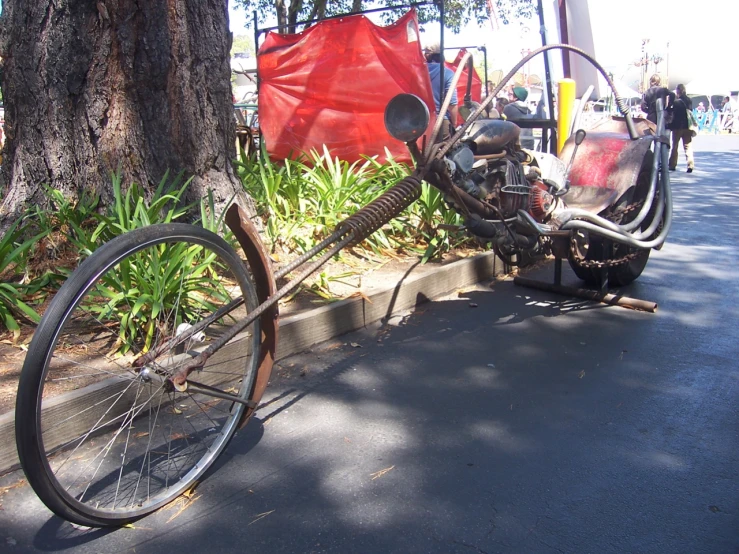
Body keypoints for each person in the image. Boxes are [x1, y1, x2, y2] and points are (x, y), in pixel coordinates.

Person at [423, 42, 458, 141]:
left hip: (419, 121)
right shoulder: (447, 73)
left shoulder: (418, 72)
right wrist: (454, 123)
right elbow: (452, 103)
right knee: (443, 153)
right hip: (440, 122)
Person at [668, 84, 694, 173]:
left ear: (679, 91)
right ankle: (690, 165)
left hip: (678, 127)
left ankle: (672, 164)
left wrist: (670, 126)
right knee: (688, 146)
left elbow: (674, 116)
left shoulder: (676, 102)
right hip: (688, 126)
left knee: (675, 146)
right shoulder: (689, 100)